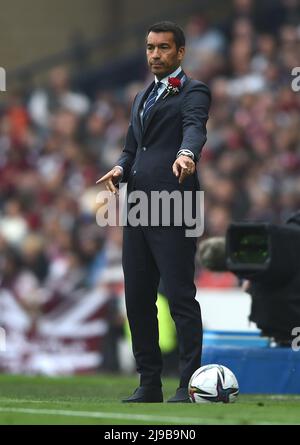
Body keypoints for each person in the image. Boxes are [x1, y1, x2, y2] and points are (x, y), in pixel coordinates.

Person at [96, 21, 211, 402]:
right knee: (138, 297)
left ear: (180, 52)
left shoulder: (194, 91)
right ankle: (149, 383)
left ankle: (189, 383)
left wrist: (186, 153)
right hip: (138, 207)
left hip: (176, 204)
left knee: (179, 295)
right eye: (150, 48)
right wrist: (119, 167)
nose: (155, 55)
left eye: (163, 48)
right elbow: (132, 149)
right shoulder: (140, 97)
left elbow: (194, 129)